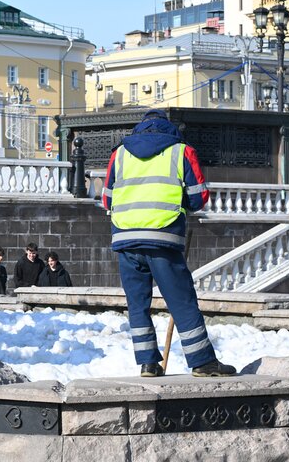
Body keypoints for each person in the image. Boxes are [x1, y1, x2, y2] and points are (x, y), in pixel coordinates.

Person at [104, 109, 235, 378]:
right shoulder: (181, 151)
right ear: (169, 127)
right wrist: (180, 204)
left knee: (137, 305)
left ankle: (148, 364)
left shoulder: (119, 154)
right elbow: (199, 197)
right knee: (182, 301)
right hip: (163, 237)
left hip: (126, 239)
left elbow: (107, 199)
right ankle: (202, 361)